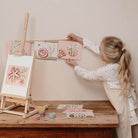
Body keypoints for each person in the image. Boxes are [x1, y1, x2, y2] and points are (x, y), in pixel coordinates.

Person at [66, 33, 138, 138]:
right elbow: (95, 47)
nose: (98, 50)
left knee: (124, 133)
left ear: (106, 56)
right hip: (126, 100)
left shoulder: (107, 70)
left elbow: (88, 75)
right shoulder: (116, 61)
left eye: (100, 50)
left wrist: (75, 65)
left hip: (123, 106)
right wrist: (78, 39)